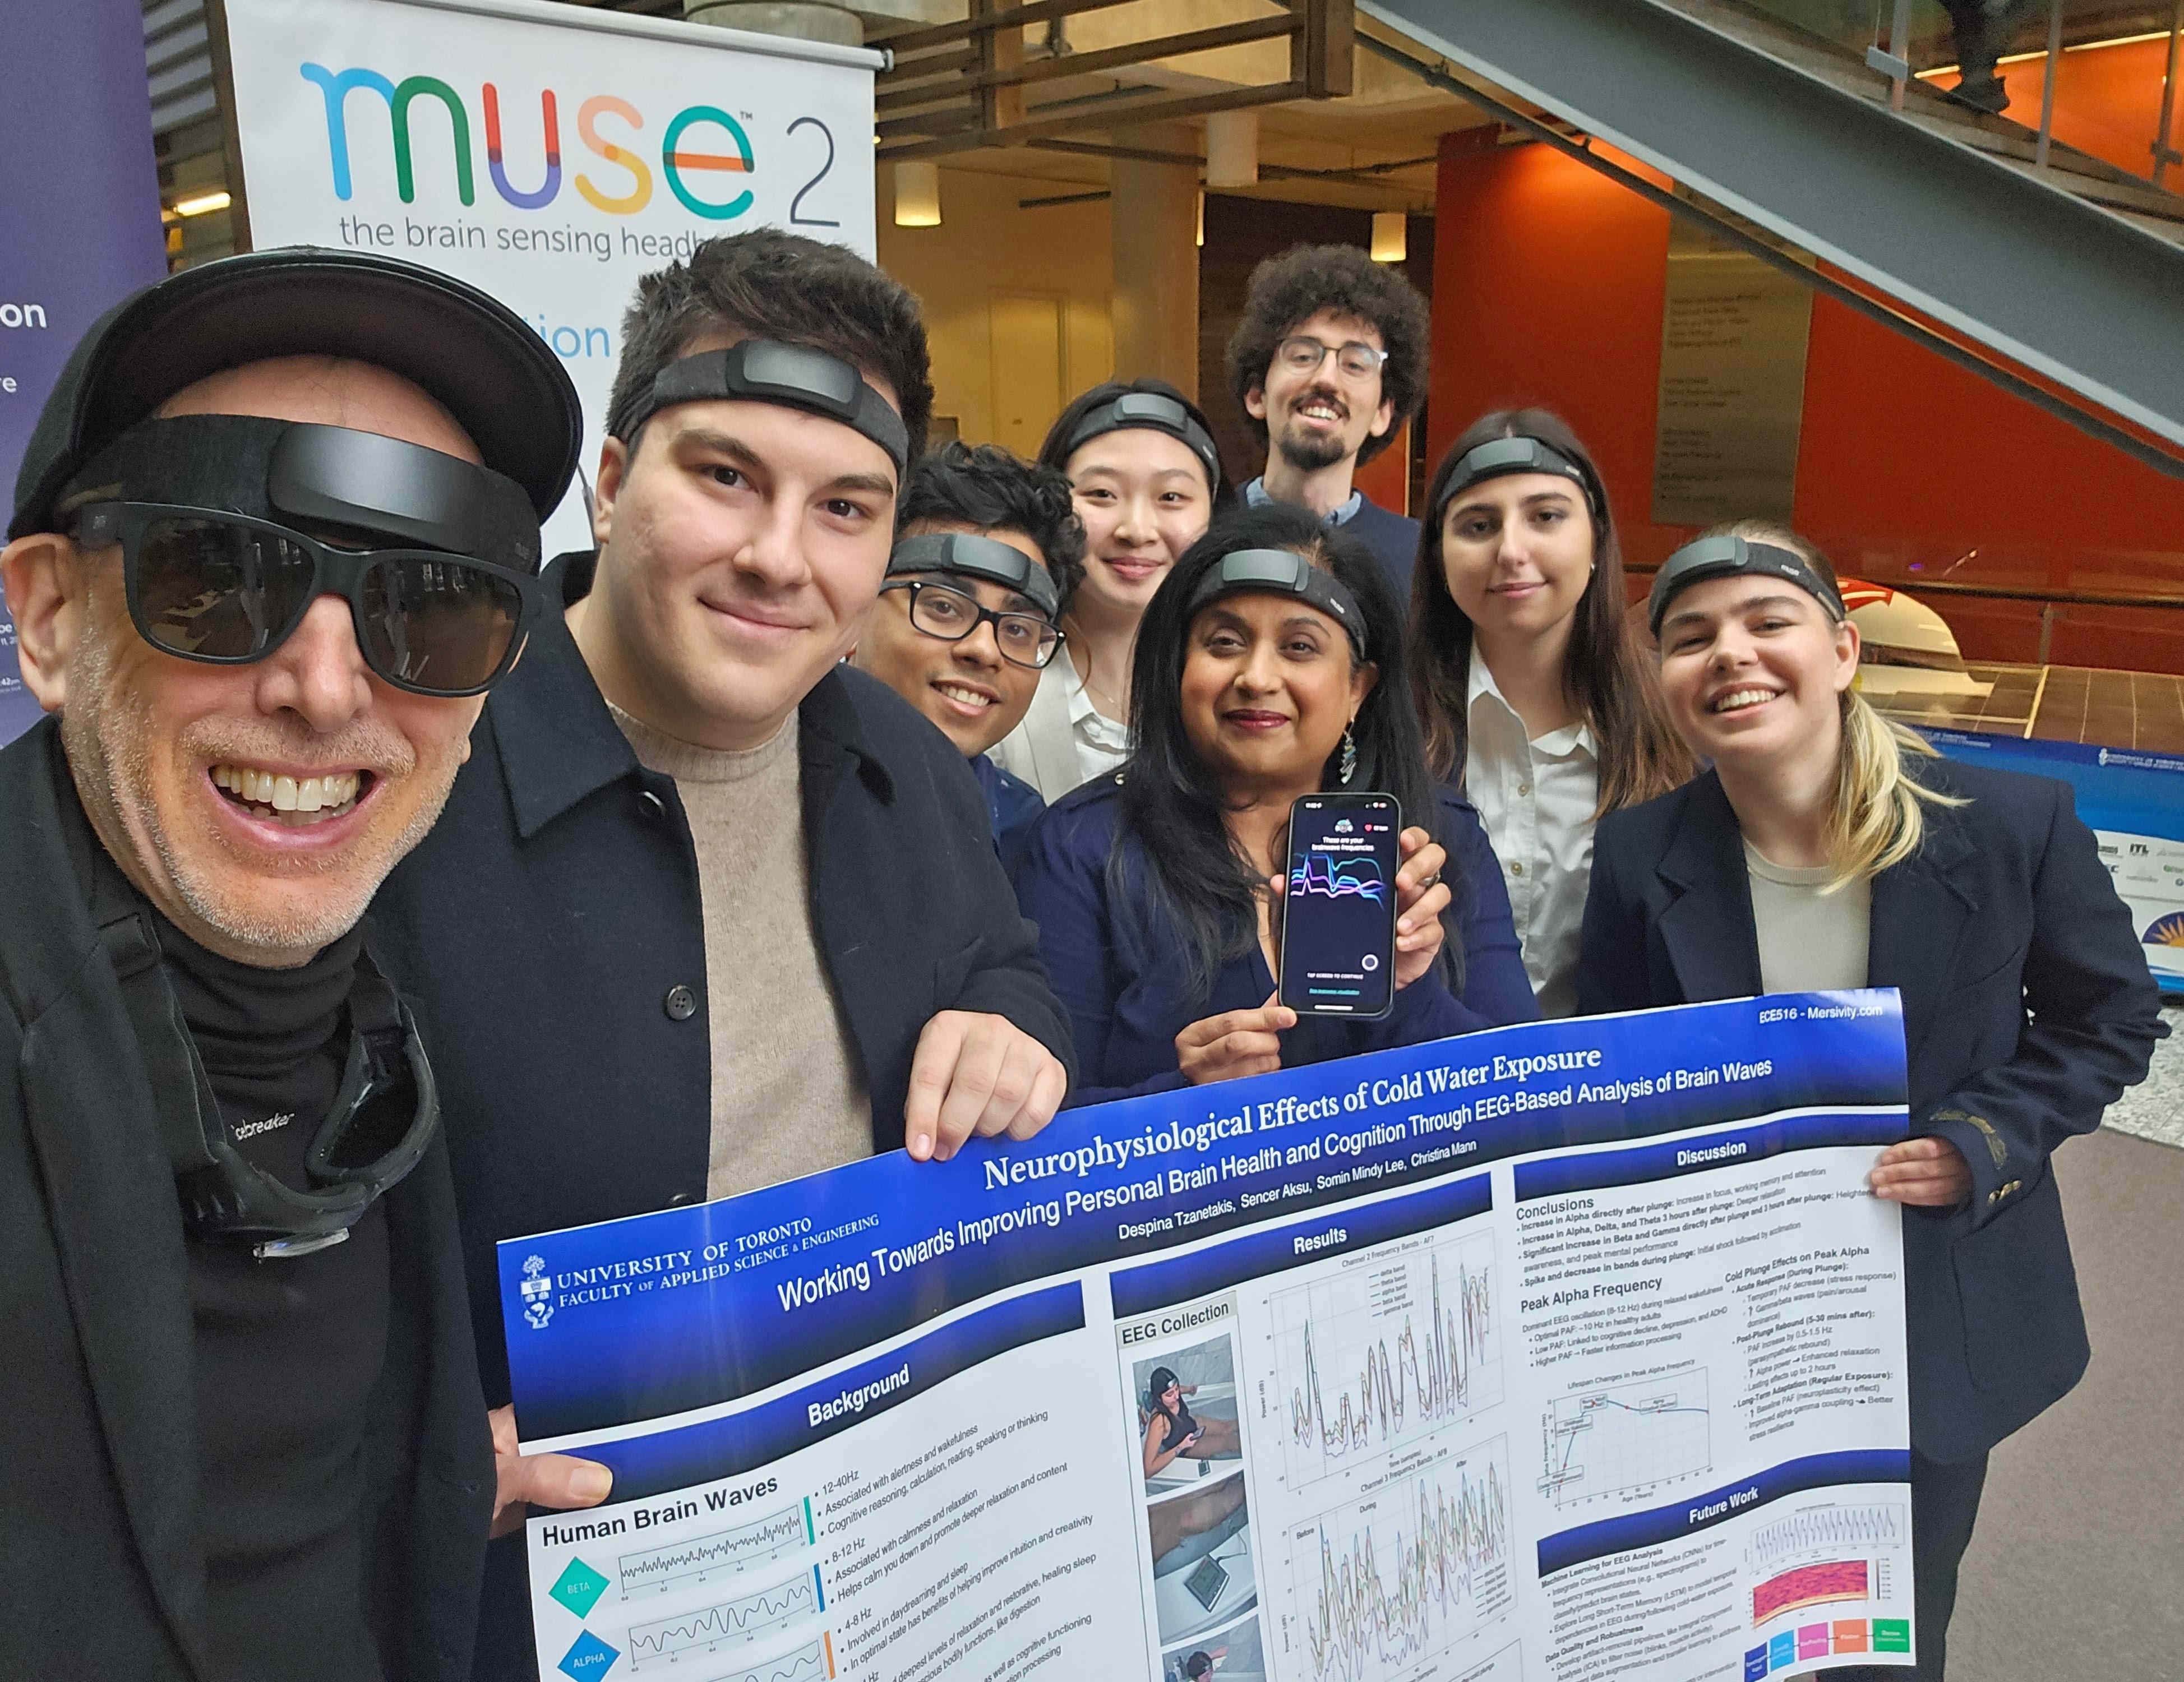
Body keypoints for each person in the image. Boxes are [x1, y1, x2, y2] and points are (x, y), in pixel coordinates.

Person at [367, 231, 1075, 1680]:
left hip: (863, 1573)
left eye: (844, 508)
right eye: (726, 477)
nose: (777, 557)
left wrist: (1012, 1027)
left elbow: (1001, 965)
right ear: (612, 480)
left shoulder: (909, 765)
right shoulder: (410, 761)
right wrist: (386, 1459)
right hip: (510, 1615)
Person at [0, 248, 582, 1679]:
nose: (325, 690)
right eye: (218, 577)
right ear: (52, 618)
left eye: (429, 609)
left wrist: (418, 1482)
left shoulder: (392, 991)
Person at [1578, 521, 2163, 1681]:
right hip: (1730, 1308)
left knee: (1884, 1623)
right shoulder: (1642, 854)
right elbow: (1624, 1066)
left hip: (1927, 1302)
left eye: (1768, 622)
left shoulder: (2008, 824)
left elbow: (2110, 1022)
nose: (1730, 654)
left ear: (1843, 651)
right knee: (1717, 1608)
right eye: (1690, 638)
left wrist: (1980, 1141)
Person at [1014, 505, 1537, 1105]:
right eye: (1224, 643)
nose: (1256, 677)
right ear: (1178, 666)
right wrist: (1184, 1096)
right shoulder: (1080, 845)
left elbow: (1524, 1095)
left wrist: (1407, 991)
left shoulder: (1438, 838)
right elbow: (1036, 1121)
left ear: (1357, 689)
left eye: (1299, 647)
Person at [1407, 410, 1693, 1016]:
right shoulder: (1381, 722)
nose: (1511, 551)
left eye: (1546, 517)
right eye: (1478, 525)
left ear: (1596, 540)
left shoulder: (1679, 725)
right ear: (1438, 557)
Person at [987, 378, 1226, 801]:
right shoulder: (996, 667)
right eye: (1102, 494)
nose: (1136, 530)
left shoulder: (1238, 684)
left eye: (1172, 497)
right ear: (1052, 506)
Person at [849, 440, 1083, 871]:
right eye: (943, 607)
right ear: (856, 607)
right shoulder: (766, 781)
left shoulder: (1027, 835)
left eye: (1017, 629)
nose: (983, 649)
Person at [1223, 243, 1430, 597]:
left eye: (1356, 364)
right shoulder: (1195, 533)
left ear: (1382, 413)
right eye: (1303, 355)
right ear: (1257, 394)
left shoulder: (1420, 561)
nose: (1327, 379)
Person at [1143, 1366, 1240, 1479]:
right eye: (1170, 1394)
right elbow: (1147, 1470)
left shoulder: (1173, 1393)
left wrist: (1190, 1389)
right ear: (1159, 1398)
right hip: (1188, 1448)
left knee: (1227, 1426)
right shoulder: (1159, 1422)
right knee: (1228, 1442)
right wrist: (1182, 1446)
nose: (1177, 1396)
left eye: (1177, 1389)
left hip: (1193, 1424)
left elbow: (1176, 1389)